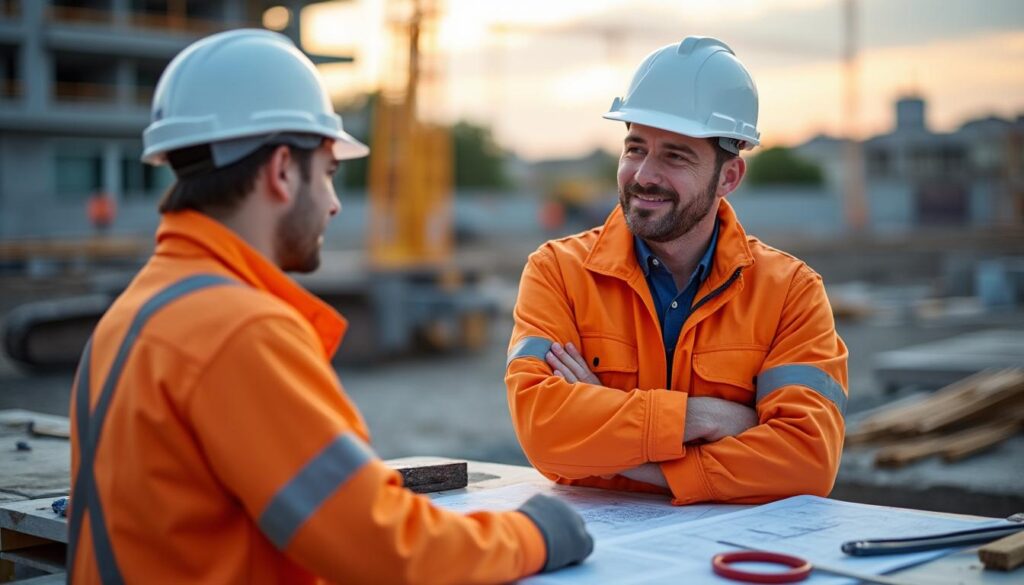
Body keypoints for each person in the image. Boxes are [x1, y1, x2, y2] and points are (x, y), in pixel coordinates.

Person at [68, 30, 591, 584]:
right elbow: (385, 547)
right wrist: (535, 533)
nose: (336, 203)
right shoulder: (238, 331)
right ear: (282, 171)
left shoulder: (136, 311)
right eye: (328, 174)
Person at [506, 36, 848, 505]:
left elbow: (809, 459)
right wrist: (704, 417)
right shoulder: (558, 272)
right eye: (635, 148)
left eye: (675, 155)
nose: (644, 174)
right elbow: (543, 430)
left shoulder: (791, 292)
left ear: (728, 177)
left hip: (731, 560)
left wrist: (626, 454)